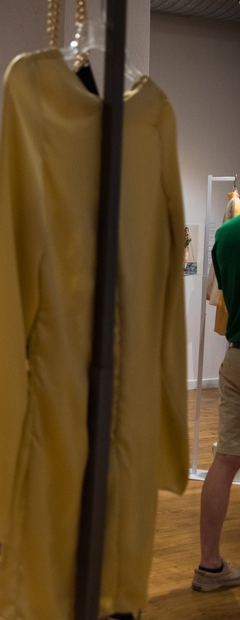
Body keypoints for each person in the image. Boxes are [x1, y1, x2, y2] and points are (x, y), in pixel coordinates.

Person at [195, 214, 240, 591]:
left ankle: (209, 565)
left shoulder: (225, 234)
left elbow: (224, 292)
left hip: (236, 357)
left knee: (225, 459)